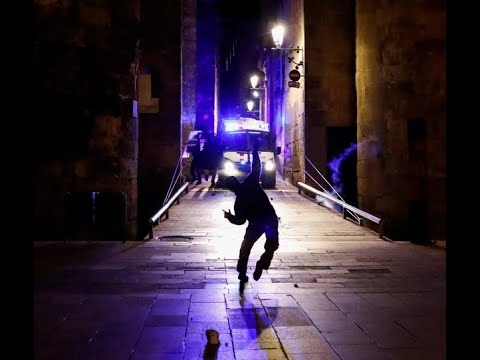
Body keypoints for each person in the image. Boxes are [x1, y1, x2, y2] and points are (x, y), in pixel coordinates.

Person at [223, 139, 279, 294]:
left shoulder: (238, 203)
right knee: (272, 245)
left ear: (230, 189)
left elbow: (240, 221)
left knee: (246, 247)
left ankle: (242, 272)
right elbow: (257, 167)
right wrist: (255, 150)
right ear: (237, 181)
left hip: (256, 224)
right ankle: (262, 264)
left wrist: (229, 217)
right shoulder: (250, 182)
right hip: (269, 218)